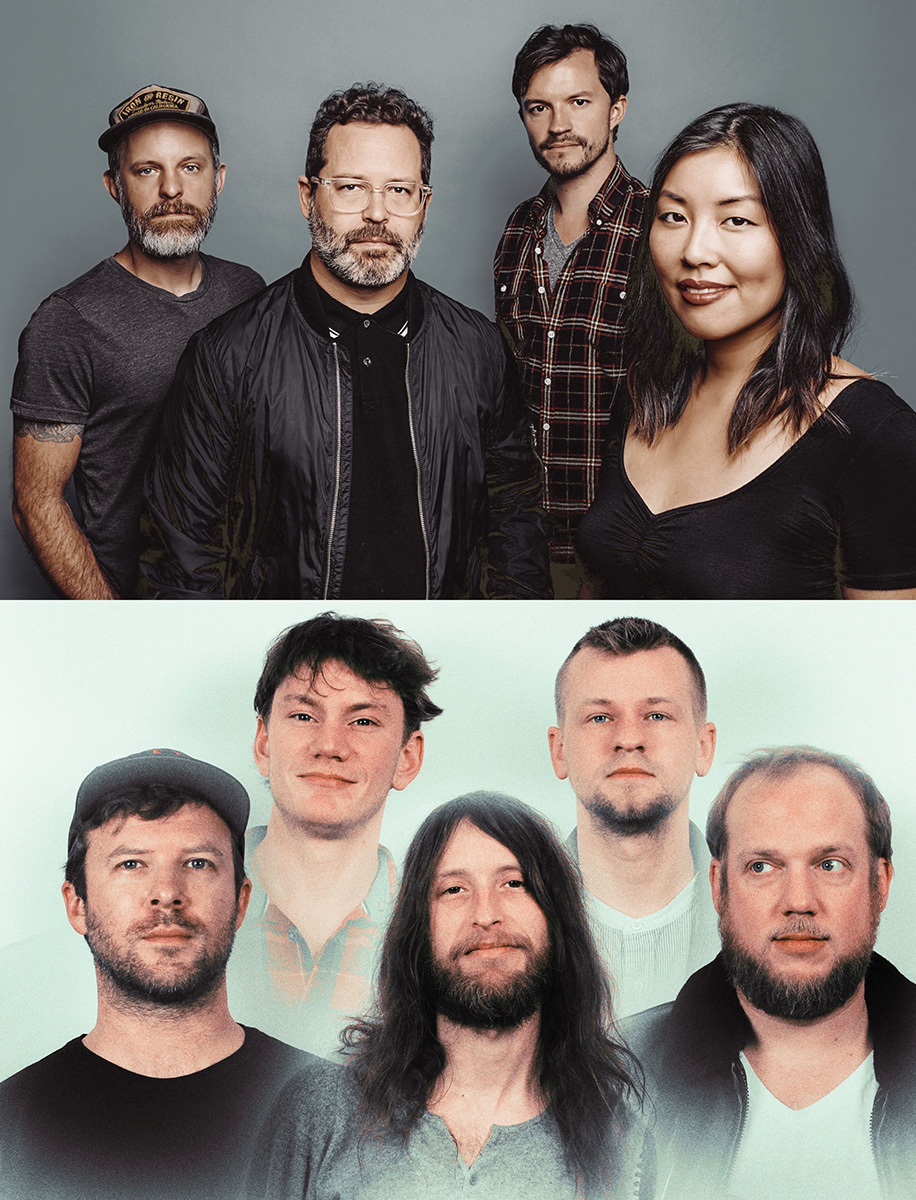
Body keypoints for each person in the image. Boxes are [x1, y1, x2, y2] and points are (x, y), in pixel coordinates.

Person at [140, 84, 550, 600]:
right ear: (308, 196)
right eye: (352, 187)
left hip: (442, 658)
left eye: (399, 190)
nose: (378, 214)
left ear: (425, 205)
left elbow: (515, 529)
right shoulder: (225, 356)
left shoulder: (479, 350)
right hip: (292, 660)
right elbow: (184, 561)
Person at [577, 102, 916, 599]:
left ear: (797, 237)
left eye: (736, 220)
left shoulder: (875, 437)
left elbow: (898, 668)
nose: (694, 251)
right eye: (673, 216)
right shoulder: (644, 392)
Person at [247, 792, 652, 1199]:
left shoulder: (621, 1134)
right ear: (418, 930)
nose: (485, 914)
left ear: (557, 917)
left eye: (514, 883)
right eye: (454, 889)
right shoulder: (320, 1111)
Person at [623, 747, 916, 1200]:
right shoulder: (611, 1078)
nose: (798, 899)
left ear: (881, 884)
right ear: (718, 887)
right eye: (762, 867)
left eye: (829, 865)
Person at [0, 748, 313, 1200]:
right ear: (77, 905)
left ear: (242, 901)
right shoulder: (9, 1130)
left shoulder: (341, 1116)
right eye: (131, 864)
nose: (166, 894)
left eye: (198, 863)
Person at [10, 85, 265, 598]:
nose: (171, 188)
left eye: (190, 168)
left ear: (218, 180)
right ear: (114, 185)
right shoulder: (69, 322)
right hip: (137, 603)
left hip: (246, 603)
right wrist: (114, 622)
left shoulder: (248, 291)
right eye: (146, 170)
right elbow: (35, 502)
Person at [227, 612, 440, 1058]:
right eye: (304, 715)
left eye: (363, 722)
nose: (329, 745)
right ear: (263, 744)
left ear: (408, 758)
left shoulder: (444, 937)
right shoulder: (182, 912)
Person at [495, 24, 648, 595]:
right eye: (539, 107)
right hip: (527, 538)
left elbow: (684, 400)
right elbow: (510, 390)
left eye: (579, 102)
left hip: (624, 543)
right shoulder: (517, 230)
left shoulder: (660, 228)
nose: (558, 125)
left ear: (617, 110)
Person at [549, 616, 719, 1018]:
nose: (628, 738)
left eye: (657, 715)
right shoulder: (503, 925)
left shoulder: (765, 921)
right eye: (600, 717)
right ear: (559, 752)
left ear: (704, 747)